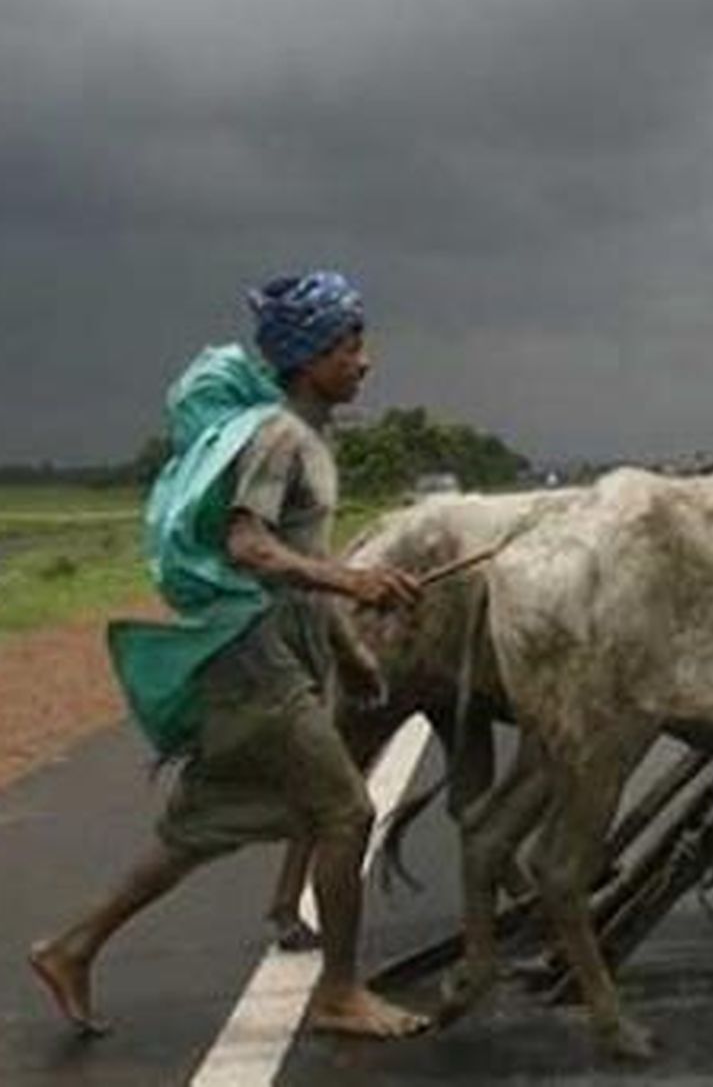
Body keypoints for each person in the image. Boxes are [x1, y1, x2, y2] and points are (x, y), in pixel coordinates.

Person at [29, 270, 430, 1039]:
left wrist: (347, 649)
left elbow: (297, 555)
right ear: (310, 356)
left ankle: (71, 946)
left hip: (273, 653)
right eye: (349, 346)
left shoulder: (309, 436)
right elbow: (250, 546)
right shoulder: (280, 437)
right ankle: (340, 992)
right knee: (347, 810)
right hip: (255, 661)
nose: (365, 360)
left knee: (200, 824)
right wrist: (352, 579)